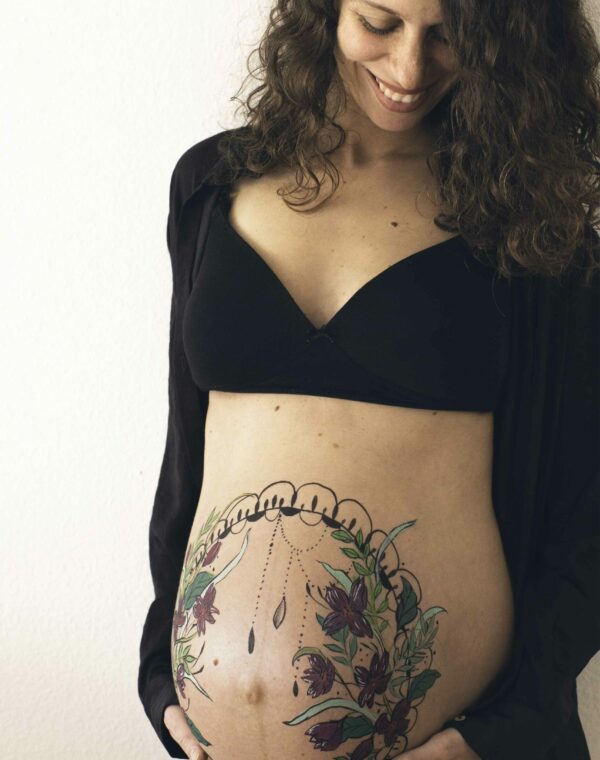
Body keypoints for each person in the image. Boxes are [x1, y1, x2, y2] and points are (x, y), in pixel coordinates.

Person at [138, 1, 600, 758]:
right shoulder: (211, 185)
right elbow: (187, 454)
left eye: (449, 37)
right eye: (381, 22)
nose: (410, 70)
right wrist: (162, 675)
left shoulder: (531, 220)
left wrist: (493, 736)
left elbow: (590, 516)